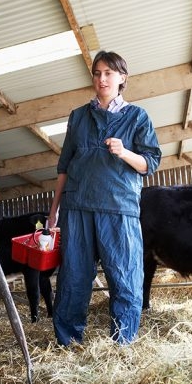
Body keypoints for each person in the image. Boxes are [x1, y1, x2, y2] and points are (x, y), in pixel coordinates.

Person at [47, 50, 162, 346]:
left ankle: (122, 343)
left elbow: (150, 162)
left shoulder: (137, 117)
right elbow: (64, 167)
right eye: (97, 73)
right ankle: (68, 342)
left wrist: (124, 152)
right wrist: (54, 211)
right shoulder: (78, 117)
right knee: (73, 278)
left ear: (122, 78)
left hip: (118, 208)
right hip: (78, 207)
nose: (102, 79)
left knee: (125, 278)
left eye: (109, 73)